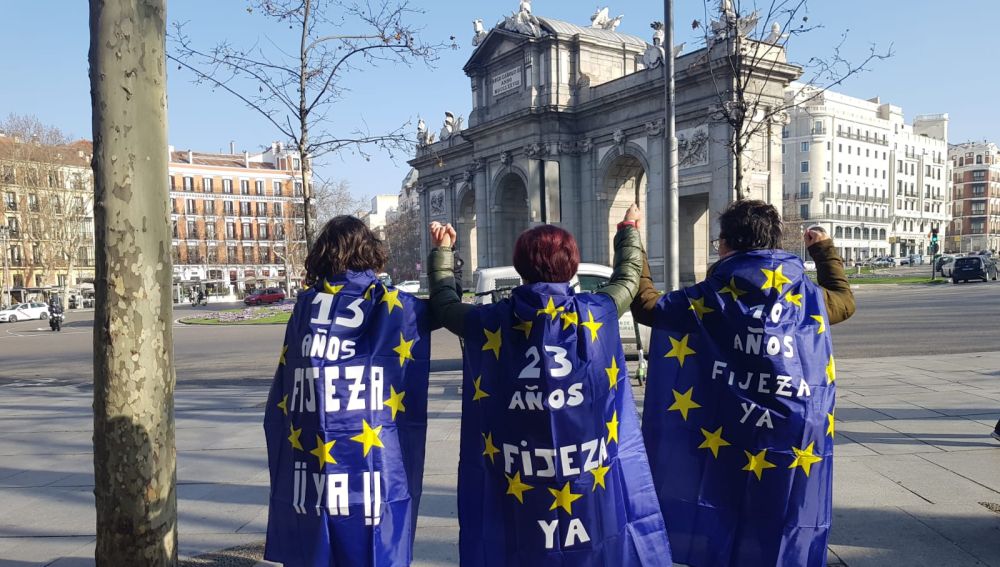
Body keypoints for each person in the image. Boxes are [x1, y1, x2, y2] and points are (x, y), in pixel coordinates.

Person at [427, 206, 672, 566]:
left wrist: (444, 252)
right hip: (588, 479)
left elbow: (445, 305)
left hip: (519, 478)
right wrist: (628, 230)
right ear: (572, 265)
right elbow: (628, 279)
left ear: (520, 266)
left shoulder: (490, 320)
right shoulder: (598, 310)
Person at [631, 199, 854, 567]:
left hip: (725, 428)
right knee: (782, 512)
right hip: (793, 428)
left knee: (721, 507)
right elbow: (845, 301)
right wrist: (823, 250)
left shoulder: (710, 297)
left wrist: (631, 239)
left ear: (725, 244)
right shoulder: (806, 296)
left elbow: (647, 306)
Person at [263, 216, 434, 567]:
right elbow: (445, 309)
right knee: (375, 539)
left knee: (316, 538)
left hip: (313, 459)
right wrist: (443, 257)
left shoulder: (305, 306)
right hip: (375, 461)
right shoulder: (394, 304)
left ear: (324, 253)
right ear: (369, 250)